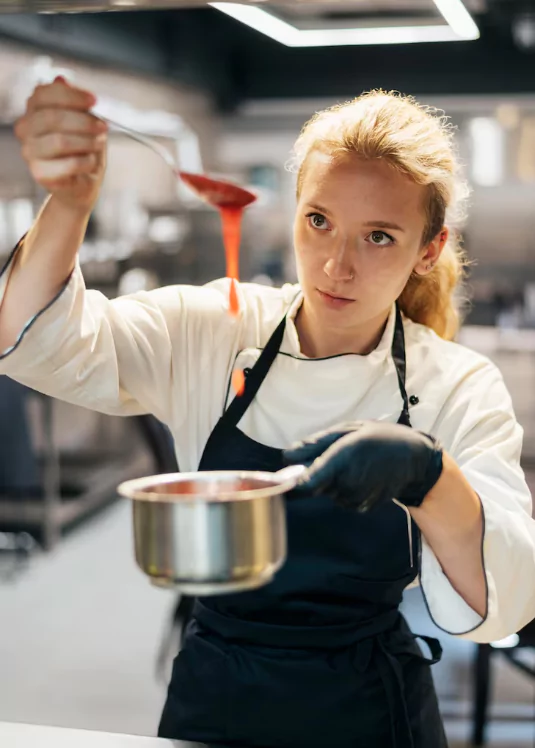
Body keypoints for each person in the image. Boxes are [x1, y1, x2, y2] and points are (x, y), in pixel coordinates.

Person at [1, 78, 535, 748]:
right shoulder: (217, 328)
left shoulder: (454, 383)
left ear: (427, 250)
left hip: (369, 708)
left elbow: (504, 602)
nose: (336, 264)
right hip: (216, 693)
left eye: (377, 236)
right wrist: (71, 203)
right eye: (318, 221)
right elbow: (35, 344)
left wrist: (430, 479)